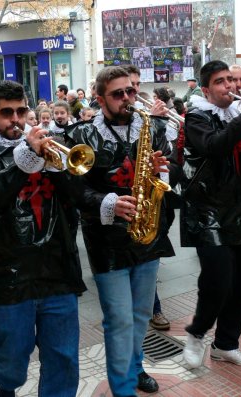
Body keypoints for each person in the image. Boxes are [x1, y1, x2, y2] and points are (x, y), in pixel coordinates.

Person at [0, 80, 85, 397]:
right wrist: (27, 156)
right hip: (8, 272)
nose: (15, 119)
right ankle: (7, 387)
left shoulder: (51, 141)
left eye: (20, 111)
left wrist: (62, 172)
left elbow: (79, 198)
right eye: (6, 113)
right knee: (14, 356)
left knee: (64, 357)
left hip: (57, 267)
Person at [69, 66, 174, 396]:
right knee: (119, 320)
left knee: (141, 314)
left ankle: (136, 365)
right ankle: (124, 389)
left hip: (146, 232)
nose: (128, 98)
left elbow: (168, 173)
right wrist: (108, 202)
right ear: (100, 99)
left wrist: (161, 171)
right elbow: (75, 192)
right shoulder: (81, 134)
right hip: (106, 240)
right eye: (118, 94)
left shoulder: (151, 127)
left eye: (130, 90)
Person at [180, 60, 241, 369]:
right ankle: (196, 334)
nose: (230, 87)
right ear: (207, 90)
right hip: (208, 211)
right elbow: (215, 146)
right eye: (222, 82)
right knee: (218, 281)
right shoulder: (196, 117)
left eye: (232, 81)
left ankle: (226, 344)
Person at [121, 64, 173, 332]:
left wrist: (160, 125)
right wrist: (153, 121)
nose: (134, 93)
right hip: (123, 200)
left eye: (137, 86)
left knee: (148, 253)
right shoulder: (108, 121)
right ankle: (149, 309)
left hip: (149, 194)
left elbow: (164, 152)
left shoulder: (145, 117)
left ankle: (151, 307)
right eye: (129, 88)